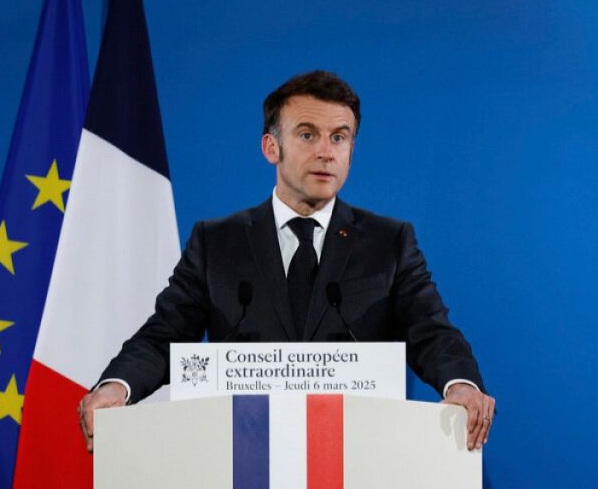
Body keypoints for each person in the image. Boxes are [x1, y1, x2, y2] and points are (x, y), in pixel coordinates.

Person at [78, 70, 494, 452]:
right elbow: (165, 336)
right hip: (243, 456)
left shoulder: (389, 242)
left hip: (357, 456)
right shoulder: (217, 242)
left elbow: (431, 331)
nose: (326, 152)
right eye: (308, 135)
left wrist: (460, 384)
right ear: (271, 147)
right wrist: (118, 386)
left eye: (340, 137)